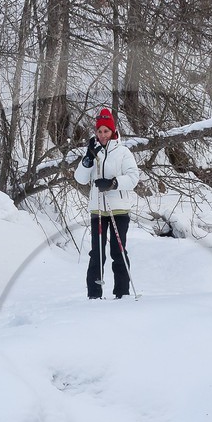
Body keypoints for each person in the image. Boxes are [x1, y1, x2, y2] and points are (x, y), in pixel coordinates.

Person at [73, 107, 139, 299]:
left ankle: (122, 292)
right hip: (98, 210)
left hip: (118, 209)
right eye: (99, 131)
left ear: (113, 131)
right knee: (97, 254)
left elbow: (133, 178)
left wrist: (113, 183)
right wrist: (87, 159)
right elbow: (81, 179)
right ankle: (94, 295)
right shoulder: (93, 152)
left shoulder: (123, 152)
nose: (102, 135)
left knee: (118, 251)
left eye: (106, 131)